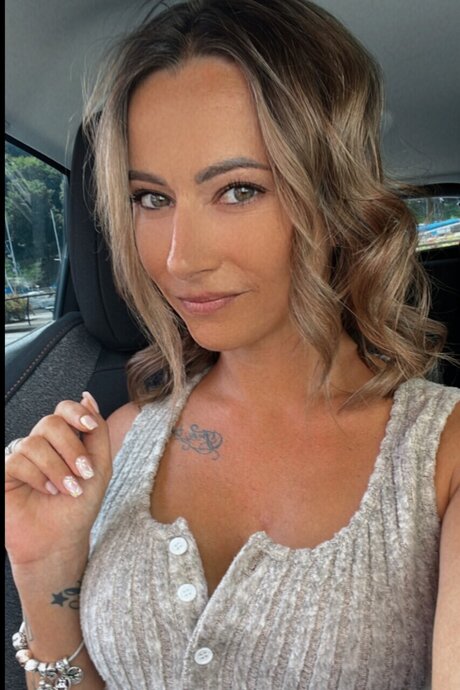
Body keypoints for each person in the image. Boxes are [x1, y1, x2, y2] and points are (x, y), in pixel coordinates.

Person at [5, 0, 460, 688]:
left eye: (238, 190)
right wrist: (43, 572)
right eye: (151, 199)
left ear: (335, 199)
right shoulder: (115, 443)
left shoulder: (441, 459)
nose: (180, 259)